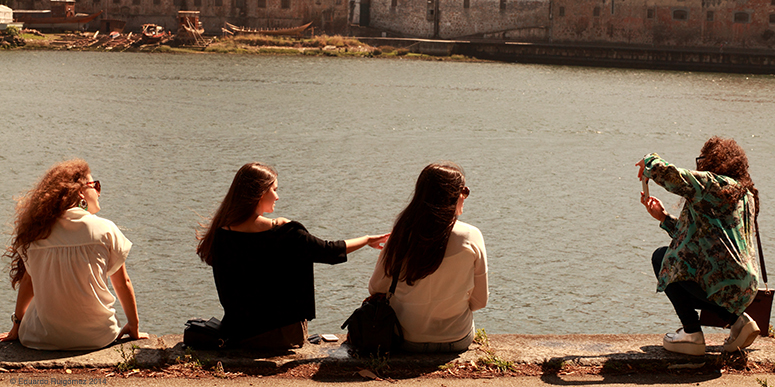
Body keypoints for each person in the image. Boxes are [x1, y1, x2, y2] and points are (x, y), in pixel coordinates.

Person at [196, 162, 389, 349]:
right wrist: (366, 239)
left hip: (238, 334)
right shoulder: (286, 233)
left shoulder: (220, 235)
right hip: (281, 336)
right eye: (274, 189)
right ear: (260, 193)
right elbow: (330, 251)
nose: (277, 197)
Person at [0, 159, 147, 350]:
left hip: (41, 338)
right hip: (99, 337)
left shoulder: (37, 234)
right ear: (80, 192)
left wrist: (16, 327)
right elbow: (122, 282)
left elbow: (28, 283)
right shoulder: (105, 229)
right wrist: (133, 326)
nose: (99, 192)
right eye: (96, 186)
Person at [637, 137, 761, 356]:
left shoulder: (712, 184)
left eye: (702, 159)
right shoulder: (745, 195)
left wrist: (649, 160)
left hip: (720, 280)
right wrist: (664, 217)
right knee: (692, 267)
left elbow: (671, 175)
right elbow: (701, 242)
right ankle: (738, 321)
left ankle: (692, 334)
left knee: (661, 257)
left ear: (712, 161)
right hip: (745, 288)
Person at [368, 162, 488, 353]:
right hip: (457, 338)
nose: (465, 196)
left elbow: (376, 288)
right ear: (452, 195)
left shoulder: (401, 235)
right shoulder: (471, 236)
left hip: (404, 337)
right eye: (464, 191)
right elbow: (480, 301)